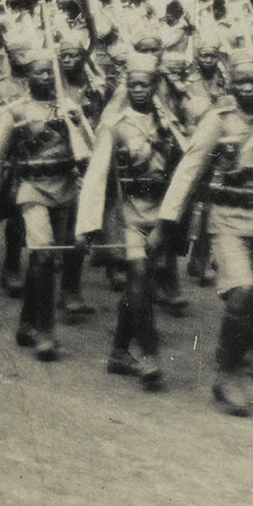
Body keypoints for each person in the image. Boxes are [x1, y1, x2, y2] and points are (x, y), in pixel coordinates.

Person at [149, 50, 253, 417]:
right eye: (240, 81)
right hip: (226, 218)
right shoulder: (219, 121)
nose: (247, 88)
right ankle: (227, 375)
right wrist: (166, 222)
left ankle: (238, 357)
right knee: (240, 291)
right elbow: (189, 168)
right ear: (230, 84)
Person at [0, 51, 92, 362]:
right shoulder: (16, 112)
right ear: (27, 77)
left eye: (49, 72)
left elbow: (89, 150)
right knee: (42, 255)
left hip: (64, 190)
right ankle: (45, 331)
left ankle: (26, 323)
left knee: (48, 261)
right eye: (38, 72)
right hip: (31, 189)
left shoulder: (69, 107)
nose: (45, 77)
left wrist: (78, 122)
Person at [75, 52, 183, 389]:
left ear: (154, 85)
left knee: (143, 284)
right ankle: (149, 356)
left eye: (145, 84)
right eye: (132, 84)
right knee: (138, 274)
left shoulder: (168, 123)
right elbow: (96, 175)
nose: (138, 90)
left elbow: (182, 169)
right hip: (128, 214)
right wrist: (88, 225)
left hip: (160, 212)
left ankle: (119, 352)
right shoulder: (115, 124)